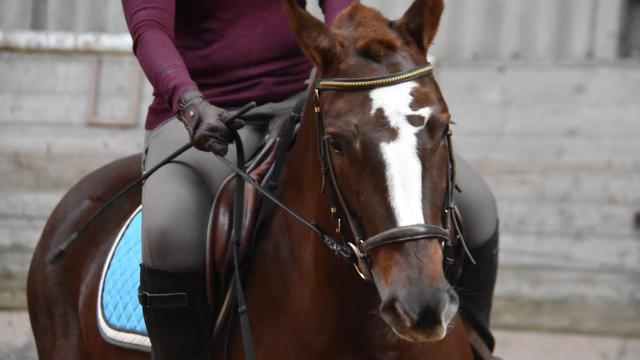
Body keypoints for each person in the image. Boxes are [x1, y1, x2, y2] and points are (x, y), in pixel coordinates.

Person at [122, 1, 499, 359]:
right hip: (206, 117)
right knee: (170, 227)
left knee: (476, 203)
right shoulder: (193, 106)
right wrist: (187, 100)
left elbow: (341, 8)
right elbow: (149, 28)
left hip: (309, 102)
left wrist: (346, 57)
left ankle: (477, 347)